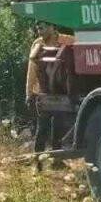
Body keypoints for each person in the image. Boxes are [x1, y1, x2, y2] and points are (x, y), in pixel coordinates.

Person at [26, 23, 76, 163]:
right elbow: (32, 69)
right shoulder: (38, 44)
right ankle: (38, 163)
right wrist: (28, 93)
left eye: (42, 28)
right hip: (43, 94)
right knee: (42, 129)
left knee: (59, 128)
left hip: (60, 93)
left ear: (52, 27)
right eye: (37, 28)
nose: (39, 31)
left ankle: (57, 161)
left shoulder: (66, 40)